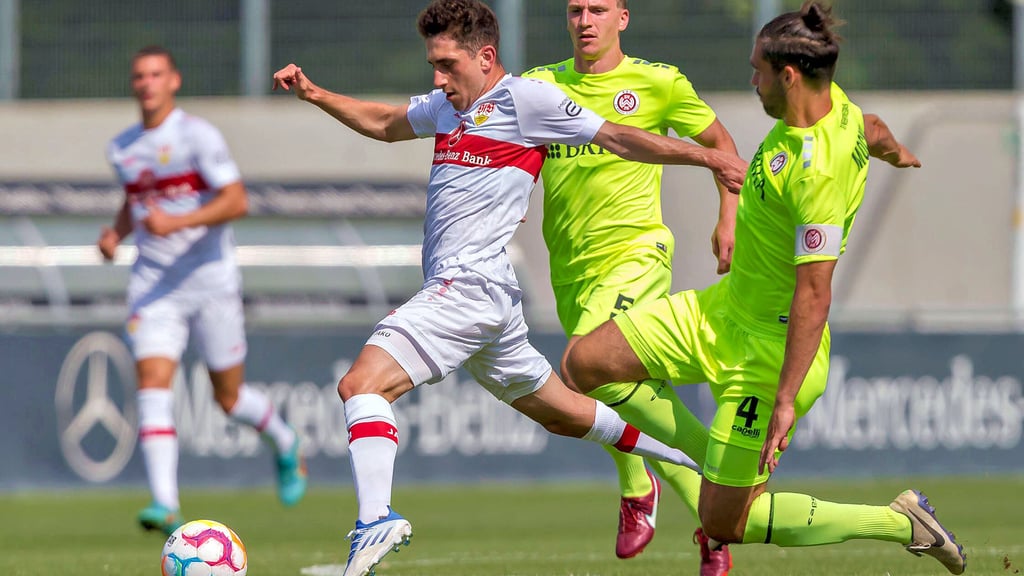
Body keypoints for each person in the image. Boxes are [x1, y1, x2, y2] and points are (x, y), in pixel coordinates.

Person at [271, 1, 748, 575]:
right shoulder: (448, 107)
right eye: (433, 65)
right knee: (565, 414)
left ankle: (375, 521)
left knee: (361, 386)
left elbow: (620, 138)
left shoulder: (528, 100)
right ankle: (679, 463)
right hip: (493, 300)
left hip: (467, 290)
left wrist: (709, 160)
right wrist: (317, 94)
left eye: (447, 65)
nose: (437, 78)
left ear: (486, 57)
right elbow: (385, 123)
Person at [567, 3, 967, 575]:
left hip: (766, 356)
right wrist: (895, 152)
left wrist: (784, 399)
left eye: (756, 70)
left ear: (789, 75)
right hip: (719, 313)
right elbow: (871, 128)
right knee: (586, 363)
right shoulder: (837, 114)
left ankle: (902, 523)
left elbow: (815, 295)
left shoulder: (816, 173)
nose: (750, 80)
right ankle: (709, 457)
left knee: (727, 523)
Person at [522, 0, 739, 568]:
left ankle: (652, 488)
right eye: (575, 10)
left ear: (623, 17)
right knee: (616, 389)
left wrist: (728, 218)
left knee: (581, 367)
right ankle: (687, 511)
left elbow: (721, 146)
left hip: (637, 253)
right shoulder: (541, 85)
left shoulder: (658, 82)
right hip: (570, 268)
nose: (584, 21)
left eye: (598, 9)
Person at [100, 45, 308, 536]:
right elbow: (138, 202)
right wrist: (115, 233)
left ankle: (284, 442)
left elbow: (237, 200)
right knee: (152, 382)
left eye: (155, 74)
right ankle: (165, 504)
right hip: (154, 285)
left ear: (174, 80)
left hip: (211, 281)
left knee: (229, 399)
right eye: (139, 75)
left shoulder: (197, 136)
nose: (146, 83)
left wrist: (181, 221)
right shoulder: (122, 147)